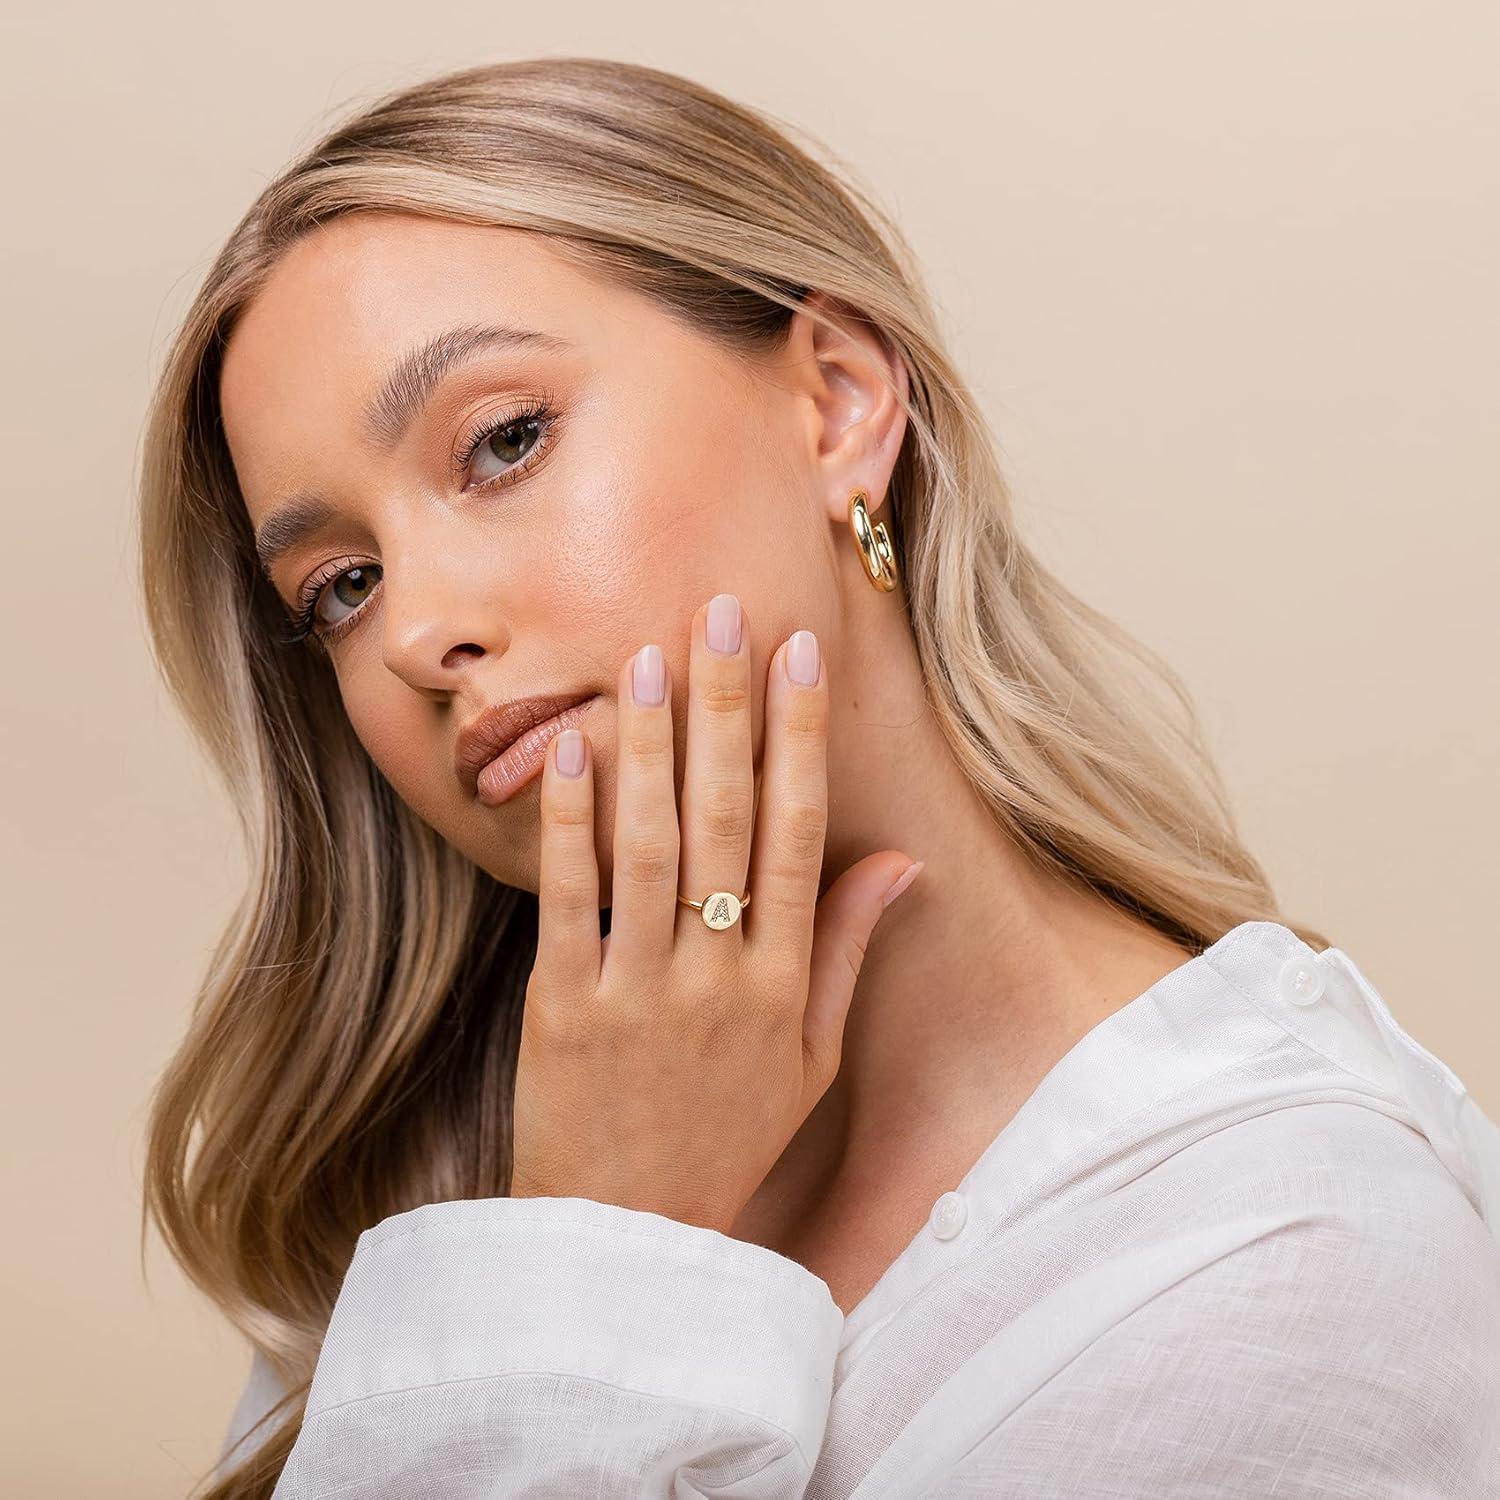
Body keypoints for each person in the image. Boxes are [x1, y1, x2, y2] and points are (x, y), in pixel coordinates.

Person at [138, 56, 1500, 1499]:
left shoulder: (1285, 1260)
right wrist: (586, 1220)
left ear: (839, 401)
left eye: (505, 441)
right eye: (342, 585)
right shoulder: (435, 1161)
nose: (414, 633)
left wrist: (591, 1265)